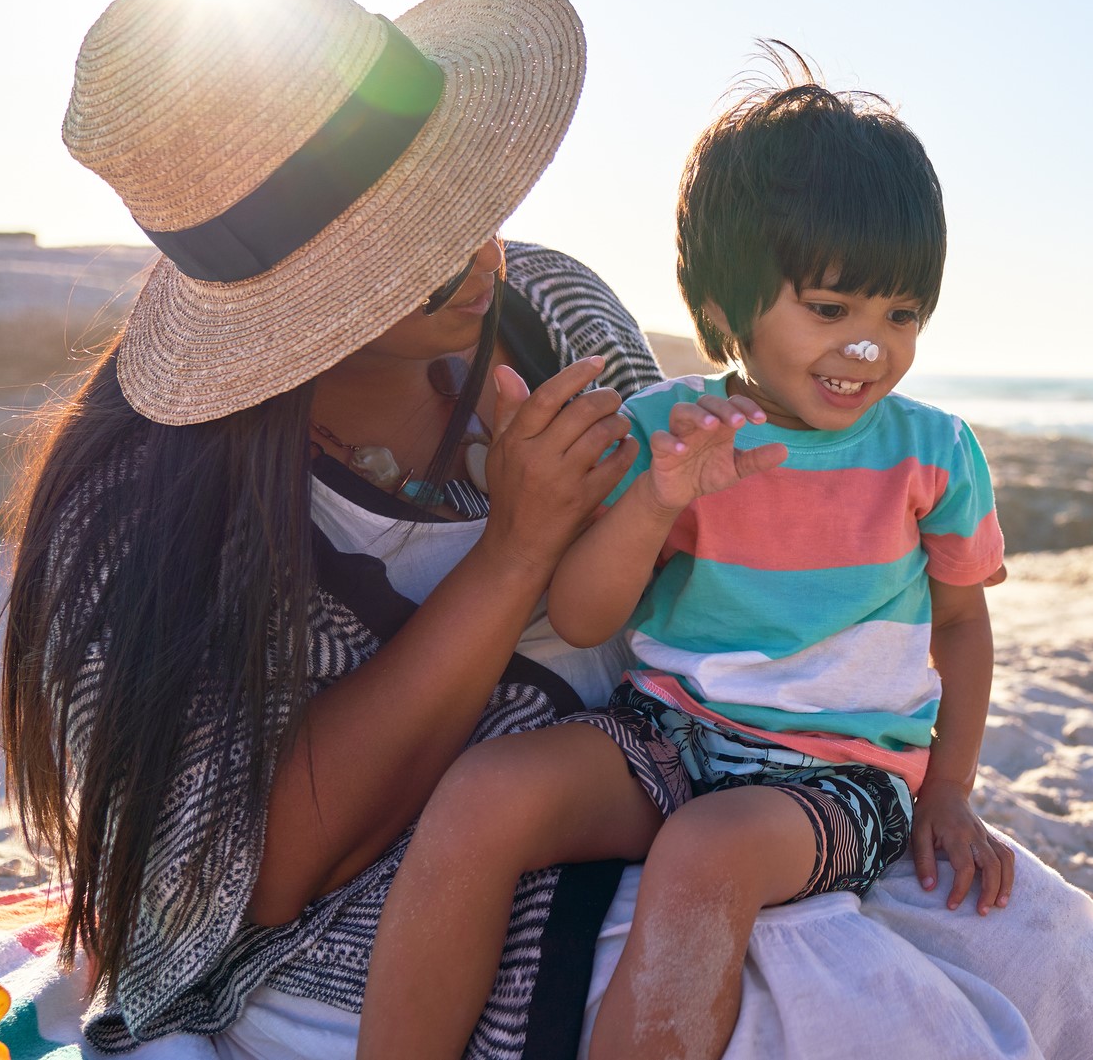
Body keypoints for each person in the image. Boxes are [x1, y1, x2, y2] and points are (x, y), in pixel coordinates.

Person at [0, 0, 1093, 1060]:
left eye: (470, 204)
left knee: (1040, 936)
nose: (483, 263)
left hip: (697, 763)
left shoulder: (549, 309)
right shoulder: (143, 509)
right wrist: (514, 549)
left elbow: (708, 561)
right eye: (417, 259)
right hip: (381, 904)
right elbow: (257, 873)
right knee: (818, 992)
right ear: (287, 299)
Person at [361, 58, 1017, 1060]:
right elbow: (584, 617)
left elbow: (962, 624)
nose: (869, 349)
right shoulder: (665, 428)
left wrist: (950, 791)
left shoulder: (931, 453)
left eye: (900, 315)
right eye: (830, 309)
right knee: (483, 794)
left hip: (837, 778)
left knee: (706, 854)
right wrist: (660, 496)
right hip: (667, 731)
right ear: (726, 304)